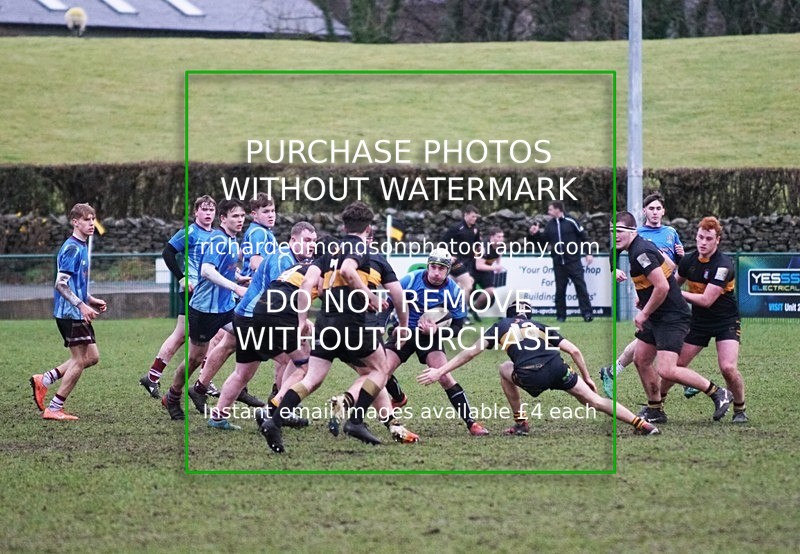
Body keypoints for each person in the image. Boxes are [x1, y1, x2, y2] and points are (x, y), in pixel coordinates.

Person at [259, 201, 409, 453]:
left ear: (343, 225)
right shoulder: (366, 251)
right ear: (368, 227)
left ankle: (274, 421)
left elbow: (306, 285)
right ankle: (356, 420)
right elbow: (394, 294)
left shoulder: (327, 253)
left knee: (312, 379)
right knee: (380, 370)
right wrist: (397, 320)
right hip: (355, 323)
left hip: (326, 323)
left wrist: (300, 321)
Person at [416, 301, 660, 436]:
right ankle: (641, 424)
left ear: (509, 315)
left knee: (504, 368)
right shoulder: (540, 325)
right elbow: (574, 350)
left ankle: (521, 422)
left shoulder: (501, 326)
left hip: (529, 374)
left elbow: (470, 353)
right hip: (557, 368)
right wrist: (587, 378)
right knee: (594, 401)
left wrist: (440, 371)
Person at [333, 247, 489, 438]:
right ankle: (384, 405)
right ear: (428, 266)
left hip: (430, 337)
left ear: (448, 271)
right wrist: (380, 326)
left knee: (445, 376)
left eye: (441, 269)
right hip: (404, 332)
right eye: (433, 267)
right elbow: (388, 304)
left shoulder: (454, 291)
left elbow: (458, 327)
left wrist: (438, 330)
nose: (436, 273)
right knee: (381, 371)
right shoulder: (412, 279)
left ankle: (472, 423)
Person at [613, 211, 733, 424]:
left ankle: (718, 392)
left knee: (666, 369)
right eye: (612, 231)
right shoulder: (634, 248)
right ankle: (655, 409)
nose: (615, 236)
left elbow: (663, 285)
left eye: (619, 231)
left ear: (632, 232)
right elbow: (664, 274)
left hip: (672, 317)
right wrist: (646, 300)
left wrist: (645, 313)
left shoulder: (641, 252)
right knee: (641, 359)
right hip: (659, 314)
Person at [206, 222, 318, 430]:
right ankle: (280, 410)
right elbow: (279, 295)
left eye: (313, 241)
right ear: (293, 240)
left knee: (244, 372)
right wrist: (302, 320)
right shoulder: (285, 259)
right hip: (256, 318)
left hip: (246, 316)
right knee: (294, 360)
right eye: (306, 240)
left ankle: (218, 417)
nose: (311, 245)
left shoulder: (292, 258)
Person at [599, 192, 696, 398]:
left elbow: (678, 263)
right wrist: (614, 269)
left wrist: (681, 256)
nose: (654, 212)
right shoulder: (636, 233)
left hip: (668, 289)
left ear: (663, 211)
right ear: (644, 211)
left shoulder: (670, 232)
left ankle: (614, 370)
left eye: (658, 208)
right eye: (650, 208)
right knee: (660, 338)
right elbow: (614, 251)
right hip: (653, 291)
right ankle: (682, 377)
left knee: (656, 339)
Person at [161, 199, 248, 420]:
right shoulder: (218, 239)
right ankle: (173, 395)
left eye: (242, 216)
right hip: (204, 310)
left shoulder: (231, 239)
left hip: (225, 308)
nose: (240, 220)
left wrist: (239, 277)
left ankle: (206, 387)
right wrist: (235, 287)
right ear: (223, 219)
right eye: (235, 216)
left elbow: (224, 267)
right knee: (194, 359)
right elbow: (207, 271)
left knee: (244, 337)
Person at [665, 216, 747, 423]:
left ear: (717, 240)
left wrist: (677, 293)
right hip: (698, 322)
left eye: (708, 239)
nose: (703, 242)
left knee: (728, 368)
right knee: (674, 365)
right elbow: (672, 284)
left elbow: (706, 300)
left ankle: (739, 408)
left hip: (725, 321)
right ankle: (656, 405)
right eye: (700, 237)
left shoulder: (723, 265)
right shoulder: (688, 261)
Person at [30, 203, 107, 420]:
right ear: (75, 222)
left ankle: (44, 380)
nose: (91, 223)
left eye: (93, 219)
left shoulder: (81, 246)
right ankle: (54, 408)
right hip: (70, 314)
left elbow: (75, 284)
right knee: (80, 360)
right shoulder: (72, 248)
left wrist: (90, 299)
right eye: (86, 219)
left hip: (76, 312)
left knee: (92, 357)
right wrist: (81, 305)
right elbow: (60, 284)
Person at [140, 195, 216, 399]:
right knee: (207, 334)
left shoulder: (217, 235)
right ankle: (204, 381)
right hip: (193, 291)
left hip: (208, 292)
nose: (208, 213)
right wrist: (182, 278)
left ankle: (152, 377)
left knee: (182, 335)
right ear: (195, 212)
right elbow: (167, 253)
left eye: (211, 210)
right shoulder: (190, 232)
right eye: (204, 209)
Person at [529, 201, 594, 322]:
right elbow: (543, 242)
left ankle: (587, 314)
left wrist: (588, 253)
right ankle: (561, 316)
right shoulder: (550, 225)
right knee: (560, 290)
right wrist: (535, 234)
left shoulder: (571, 221)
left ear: (558, 209)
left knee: (581, 288)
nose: (548, 212)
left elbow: (584, 237)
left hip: (573, 261)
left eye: (550, 209)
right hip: (558, 263)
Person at [441, 204, 481, 311]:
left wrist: (480, 250)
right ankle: (463, 312)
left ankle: (452, 309)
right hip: (457, 261)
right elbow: (443, 243)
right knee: (468, 285)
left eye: (476, 217)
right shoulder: (456, 228)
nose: (475, 219)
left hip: (469, 262)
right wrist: (449, 255)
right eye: (473, 216)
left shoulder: (476, 229)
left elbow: (477, 243)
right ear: (466, 215)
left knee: (459, 286)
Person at [472, 226, 506, 313]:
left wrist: (498, 267)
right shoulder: (482, 247)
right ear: (492, 237)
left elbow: (498, 259)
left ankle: (473, 310)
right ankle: (462, 312)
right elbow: (478, 266)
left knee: (491, 291)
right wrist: (495, 267)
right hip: (472, 271)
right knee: (466, 290)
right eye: (498, 237)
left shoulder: (501, 246)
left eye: (502, 237)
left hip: (486, 271)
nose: (501, 239)